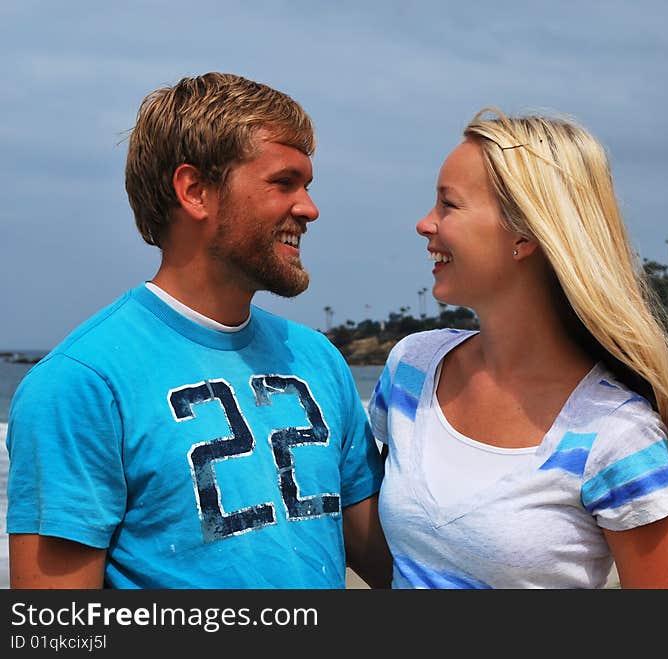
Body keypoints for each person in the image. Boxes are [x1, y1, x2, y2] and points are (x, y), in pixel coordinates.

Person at [6, 72, 390, 589]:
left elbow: (390, 566)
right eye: (283, 183)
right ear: (195, 191)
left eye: (307, 186)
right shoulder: (80, 384)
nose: (309, 208)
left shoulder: (317, 359)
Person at [369, 108, 668, 589]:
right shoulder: (411, 369)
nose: (425, 223)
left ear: (523, 234)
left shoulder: (616, 434)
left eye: (448, 205)